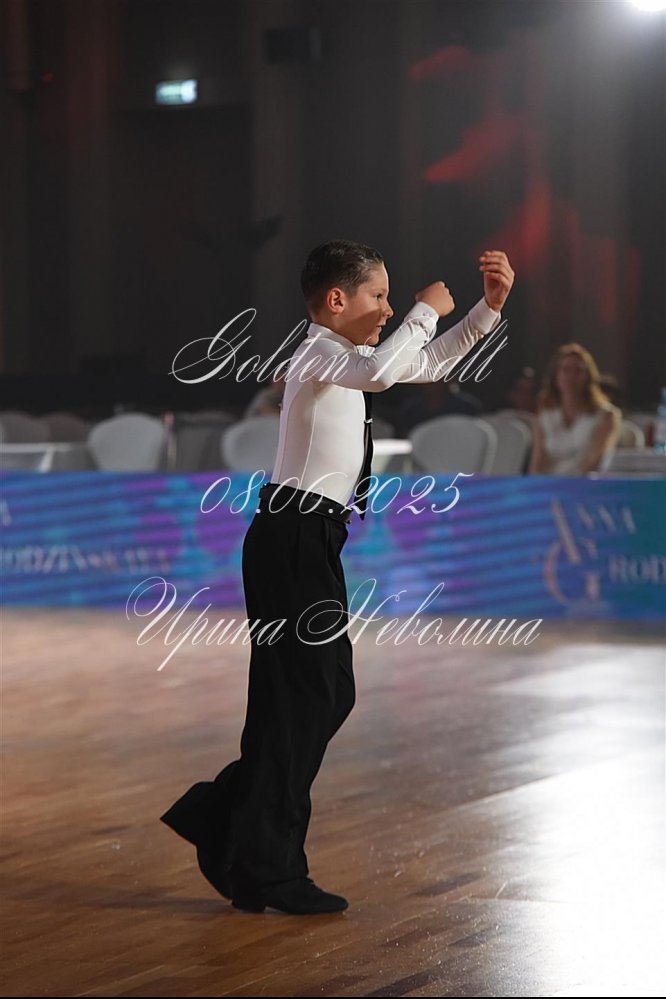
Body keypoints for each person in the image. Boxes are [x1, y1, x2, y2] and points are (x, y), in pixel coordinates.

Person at [160, 239, 514, 914]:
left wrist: (486, 311)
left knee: (311, 697)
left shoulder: (348, 361)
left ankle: (234, 828)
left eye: (390, 298)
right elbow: (386, 370)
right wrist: (425, 309)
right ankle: (262, 856)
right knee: (310, 697)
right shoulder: (317, 352)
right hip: (290, 536)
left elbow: (425, 362)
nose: (388, 309)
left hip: (307, 539)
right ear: (335, 299)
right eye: (378, 295)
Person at [528, 343, 622, 474]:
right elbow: (537, 461)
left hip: (584, 482)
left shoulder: (606, 416)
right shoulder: (543, 414)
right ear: (556, 375)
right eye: (566, 370)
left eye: (578, 371)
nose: (571, 377)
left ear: (588, 376)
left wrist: (571, 483)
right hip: (549, 483)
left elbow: (596, 461)